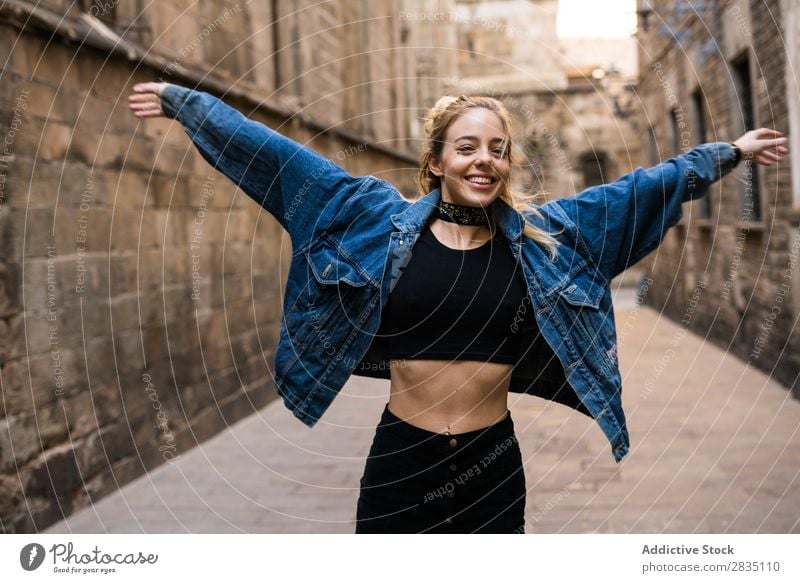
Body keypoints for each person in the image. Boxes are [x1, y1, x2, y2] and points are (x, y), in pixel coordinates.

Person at [128, 82, 788, 534]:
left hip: (492, 463)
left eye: (497, 149)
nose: (484, 161)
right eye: (467, 147)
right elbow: (278, 162)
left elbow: (641, 191)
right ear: (437, 159)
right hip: (400, 457)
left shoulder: (547, 237)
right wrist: (188, 106)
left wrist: (726, 154)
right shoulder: (372, 220)